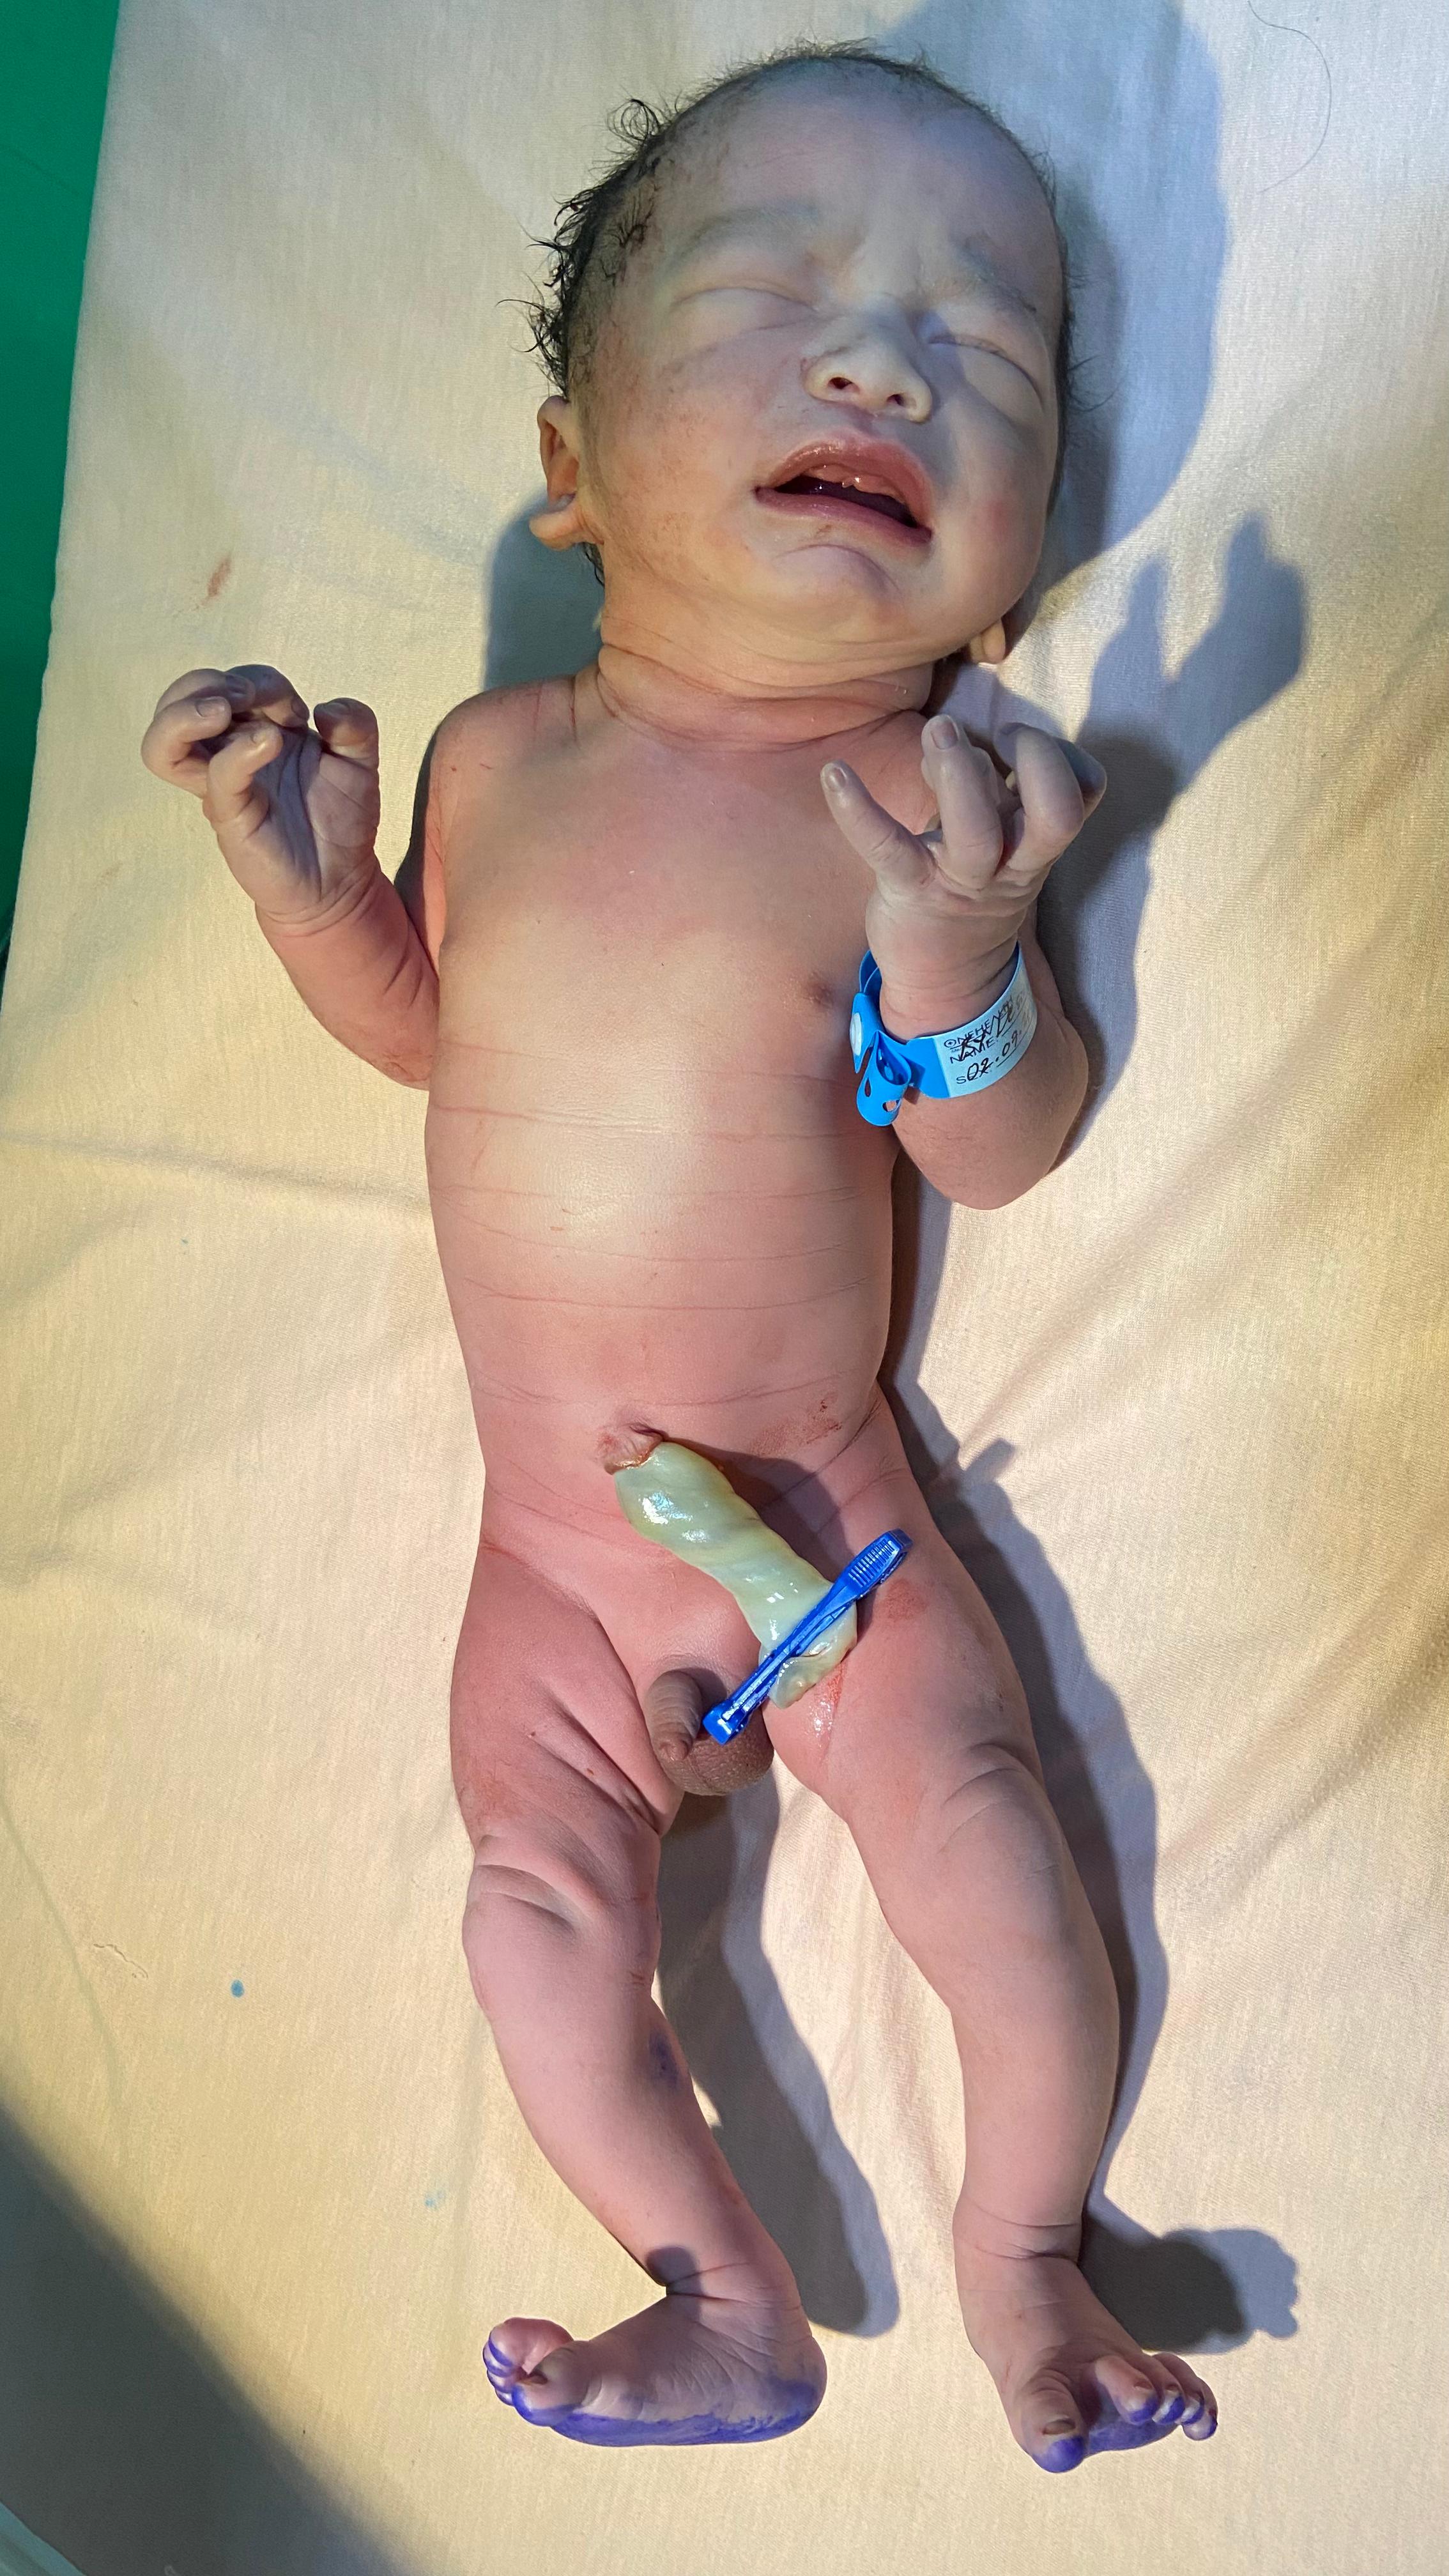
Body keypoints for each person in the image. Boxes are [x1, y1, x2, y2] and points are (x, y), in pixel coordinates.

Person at [140, 40, 1218, 2468]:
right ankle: (715, 2290)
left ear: (1024, 546)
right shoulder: (496, 761)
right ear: (570, 467)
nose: (884, 369)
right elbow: (435, 1040)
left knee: (984, 1846)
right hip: (549, 1551)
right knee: (531, 1913)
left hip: (832, 1521)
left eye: (984, 351)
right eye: (775, 302)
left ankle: (1024, 2252)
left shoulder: (922, 806)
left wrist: (965, 961)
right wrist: (313, 895)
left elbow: (1003, 1152)